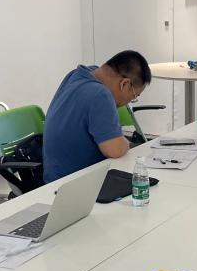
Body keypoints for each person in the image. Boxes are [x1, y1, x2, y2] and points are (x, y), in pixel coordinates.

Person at [42, 50, 151, 183]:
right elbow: (115, 150)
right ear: (124, 84)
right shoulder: (100, 94)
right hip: (74, 184)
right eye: (134, 96)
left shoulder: (76, 75)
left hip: (54, 178)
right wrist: (124, 142)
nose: (130, 101)